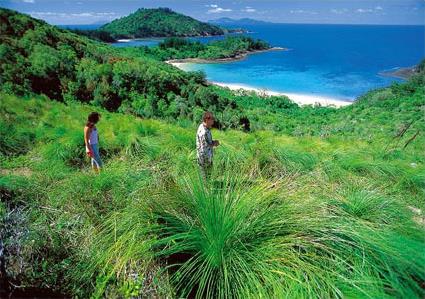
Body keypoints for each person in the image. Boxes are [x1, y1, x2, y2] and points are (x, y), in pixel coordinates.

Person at [196, 111, 220, 178]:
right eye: (212, 118)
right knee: (205, 178)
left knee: (208, 177)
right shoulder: (204, 131)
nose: (213, 120)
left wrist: (212, 142)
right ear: (207, 120)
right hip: (204, 159)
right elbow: (204, 147)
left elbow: (206, 142)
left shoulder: (205, 127)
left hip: (207, 157)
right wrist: (214, 143)